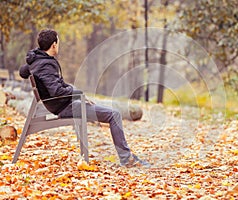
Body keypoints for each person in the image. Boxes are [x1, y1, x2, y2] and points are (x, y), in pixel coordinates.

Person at [19, 29, 148, 167]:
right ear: (54, 45)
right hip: (65, 107)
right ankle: (126, 159)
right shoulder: (45, 65)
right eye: (58, 42)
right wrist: (77, 93)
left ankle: (126, 157)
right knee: (114, 115)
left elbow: (23, 72)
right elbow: (56, 90)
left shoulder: (38, 61)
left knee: (102, 108)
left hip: (64, 104)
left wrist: (76, 94)